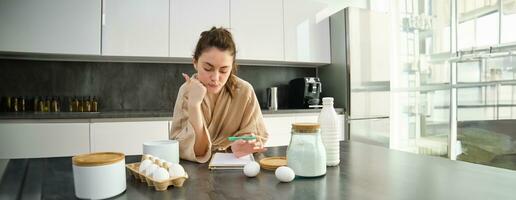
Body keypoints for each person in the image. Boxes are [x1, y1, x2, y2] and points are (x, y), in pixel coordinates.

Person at [170, 27, 268, 163]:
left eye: (224, 70)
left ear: (231, 67)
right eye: (208, 68)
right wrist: (194, 105)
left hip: (236, 171)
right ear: (195, 63)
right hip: (196, 174)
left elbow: (256, 136)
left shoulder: (245, 91)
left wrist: (243, 145)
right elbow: (194, 150)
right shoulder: (187, 91)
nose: (215, 78)